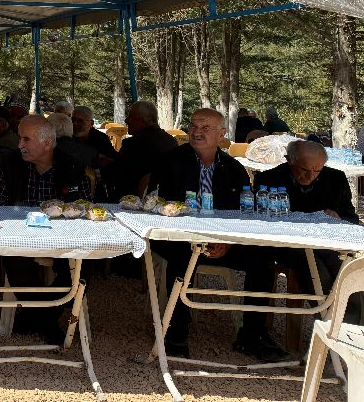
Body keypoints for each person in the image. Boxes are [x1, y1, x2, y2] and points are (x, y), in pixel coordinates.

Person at [147, 108, 287, 361]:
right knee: (182, 257)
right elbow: (155, 202)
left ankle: (252, 335)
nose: (197, 132)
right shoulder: (170, 160)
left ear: (221, 134)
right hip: (179, 237)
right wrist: (192, 235)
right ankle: (176, 331)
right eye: (193, 126)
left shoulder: (233, 168)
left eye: (205, 128)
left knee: (262, 259)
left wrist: (228, 242)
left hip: (221, 242)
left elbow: (244, 213)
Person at [0, 115, 91, 341]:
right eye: (20, 139)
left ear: (47, 143)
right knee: (12, 258)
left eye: (25, 140)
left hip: (62, 237)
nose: (19, 145)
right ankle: (46, 320)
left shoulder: (72, 167)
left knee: (84, 264)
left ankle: (39, 315)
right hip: (21, 234)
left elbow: (83, 208)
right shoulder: (11, 164)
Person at [254, 140, 362, 321]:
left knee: (346, 268)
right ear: (290, 160)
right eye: (304, 169)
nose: (311, 175)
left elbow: (351, 219)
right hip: (288, 244)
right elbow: (261, 220)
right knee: (312, 264)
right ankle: (329, 321)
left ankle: (352, 326)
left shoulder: (335, 179)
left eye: (317, 170)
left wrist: (337, 217)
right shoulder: (268, 180)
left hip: (326, 242)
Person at [105, 100, 177, 200]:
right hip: (165, 198)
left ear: (143, 121)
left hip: (132, 201)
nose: (126, 120)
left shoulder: (132, 143)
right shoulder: (171, 141)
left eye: (131, 117)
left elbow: (116, 174)